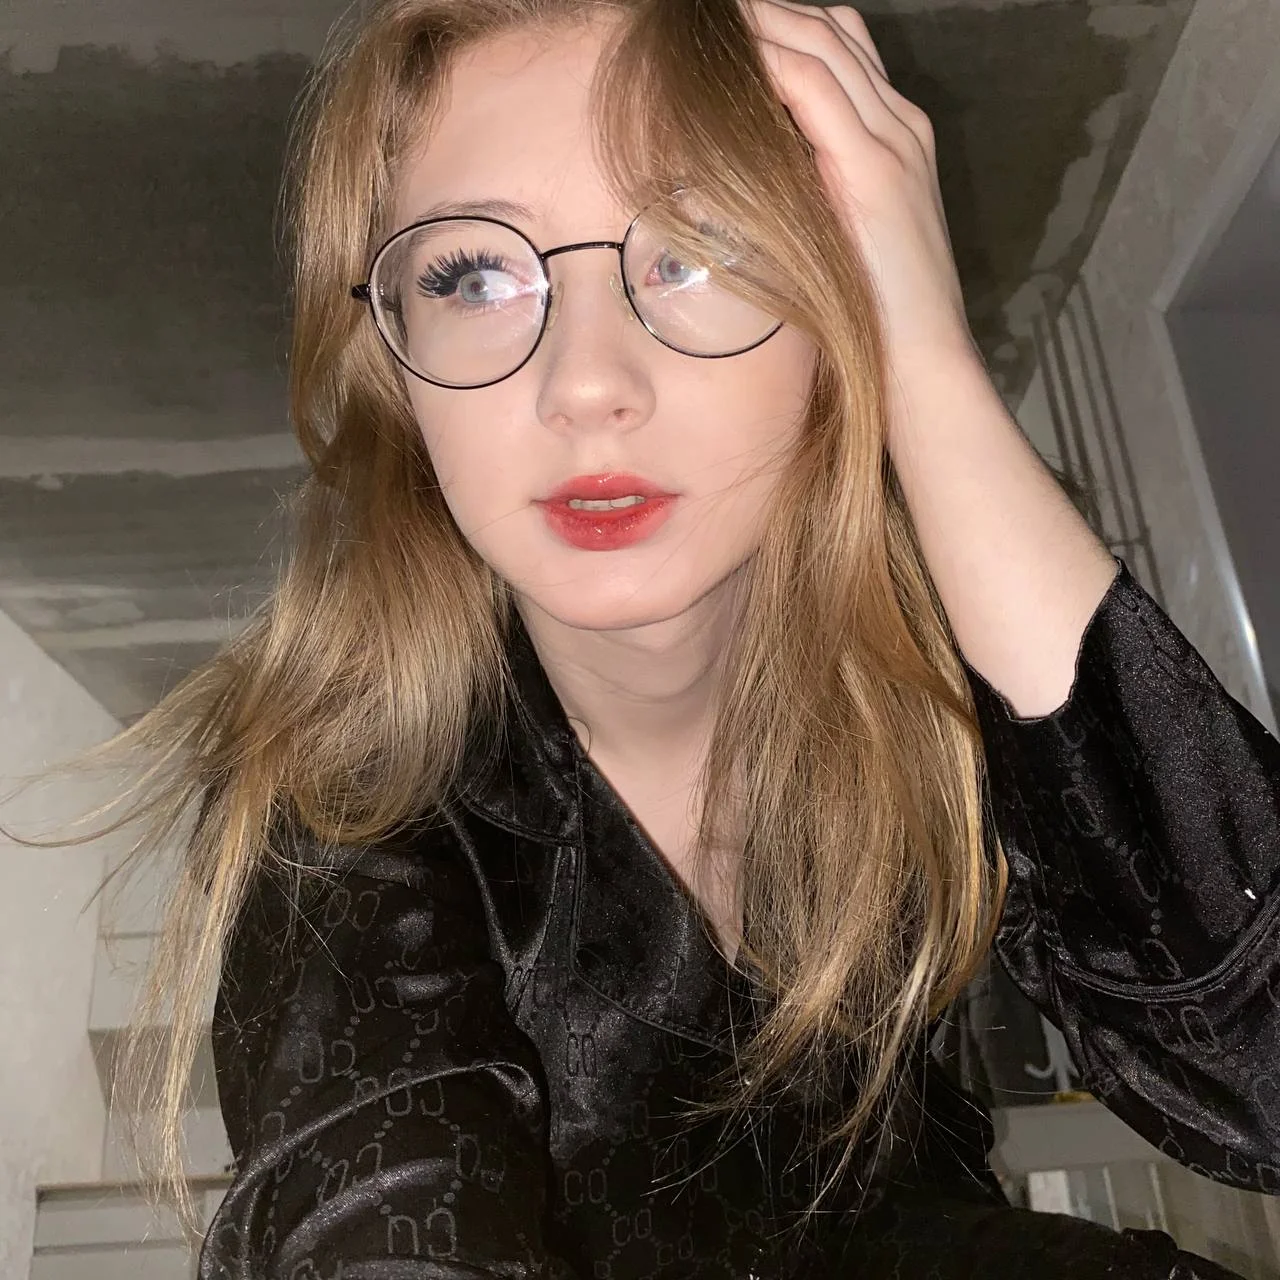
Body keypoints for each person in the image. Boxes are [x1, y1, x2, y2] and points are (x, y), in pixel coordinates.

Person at [97, 0, 1279, 1276]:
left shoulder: (935, 678)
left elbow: (1255, 1071)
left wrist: (926, 362)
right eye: (475, 277)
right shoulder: (346, 798)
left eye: (697, 248)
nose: (584, 383)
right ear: (396, 367)